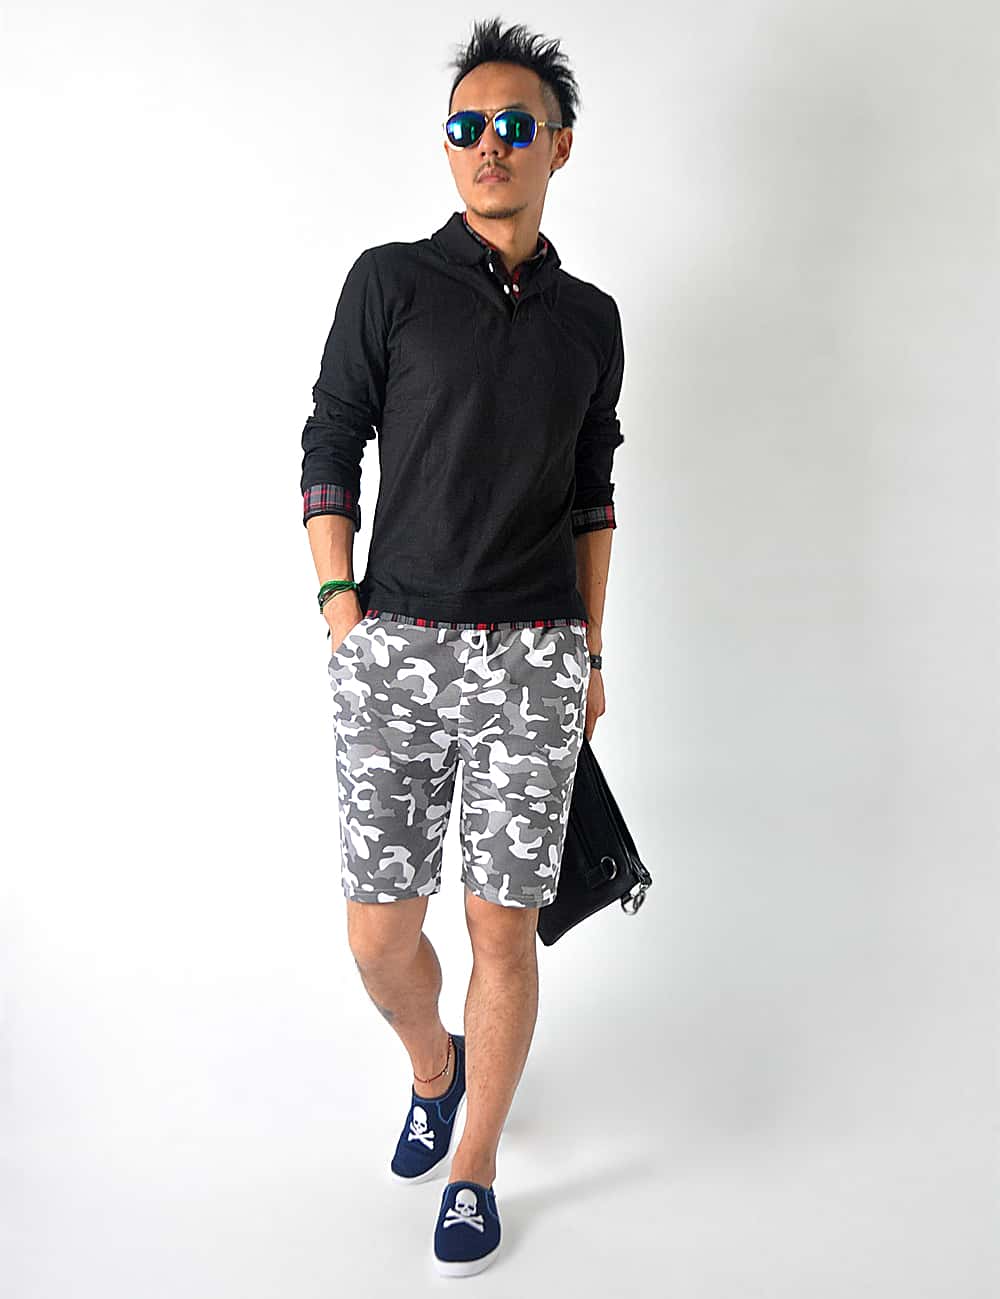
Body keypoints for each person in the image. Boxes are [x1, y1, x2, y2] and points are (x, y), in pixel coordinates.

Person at [299, 17, 625, 1277]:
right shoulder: (389, 282)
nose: (489, 144)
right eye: (466, 125)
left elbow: (593, 497)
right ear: (448, 146)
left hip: (535, 657)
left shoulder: (590, 320)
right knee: (379, 937)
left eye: (514, 125)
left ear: (558, 147)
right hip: (394, 647)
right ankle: (434, 1070)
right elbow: (331, 439)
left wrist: (591, 655)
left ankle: (475, 1165)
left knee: (502, 929)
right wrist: (341, 610)